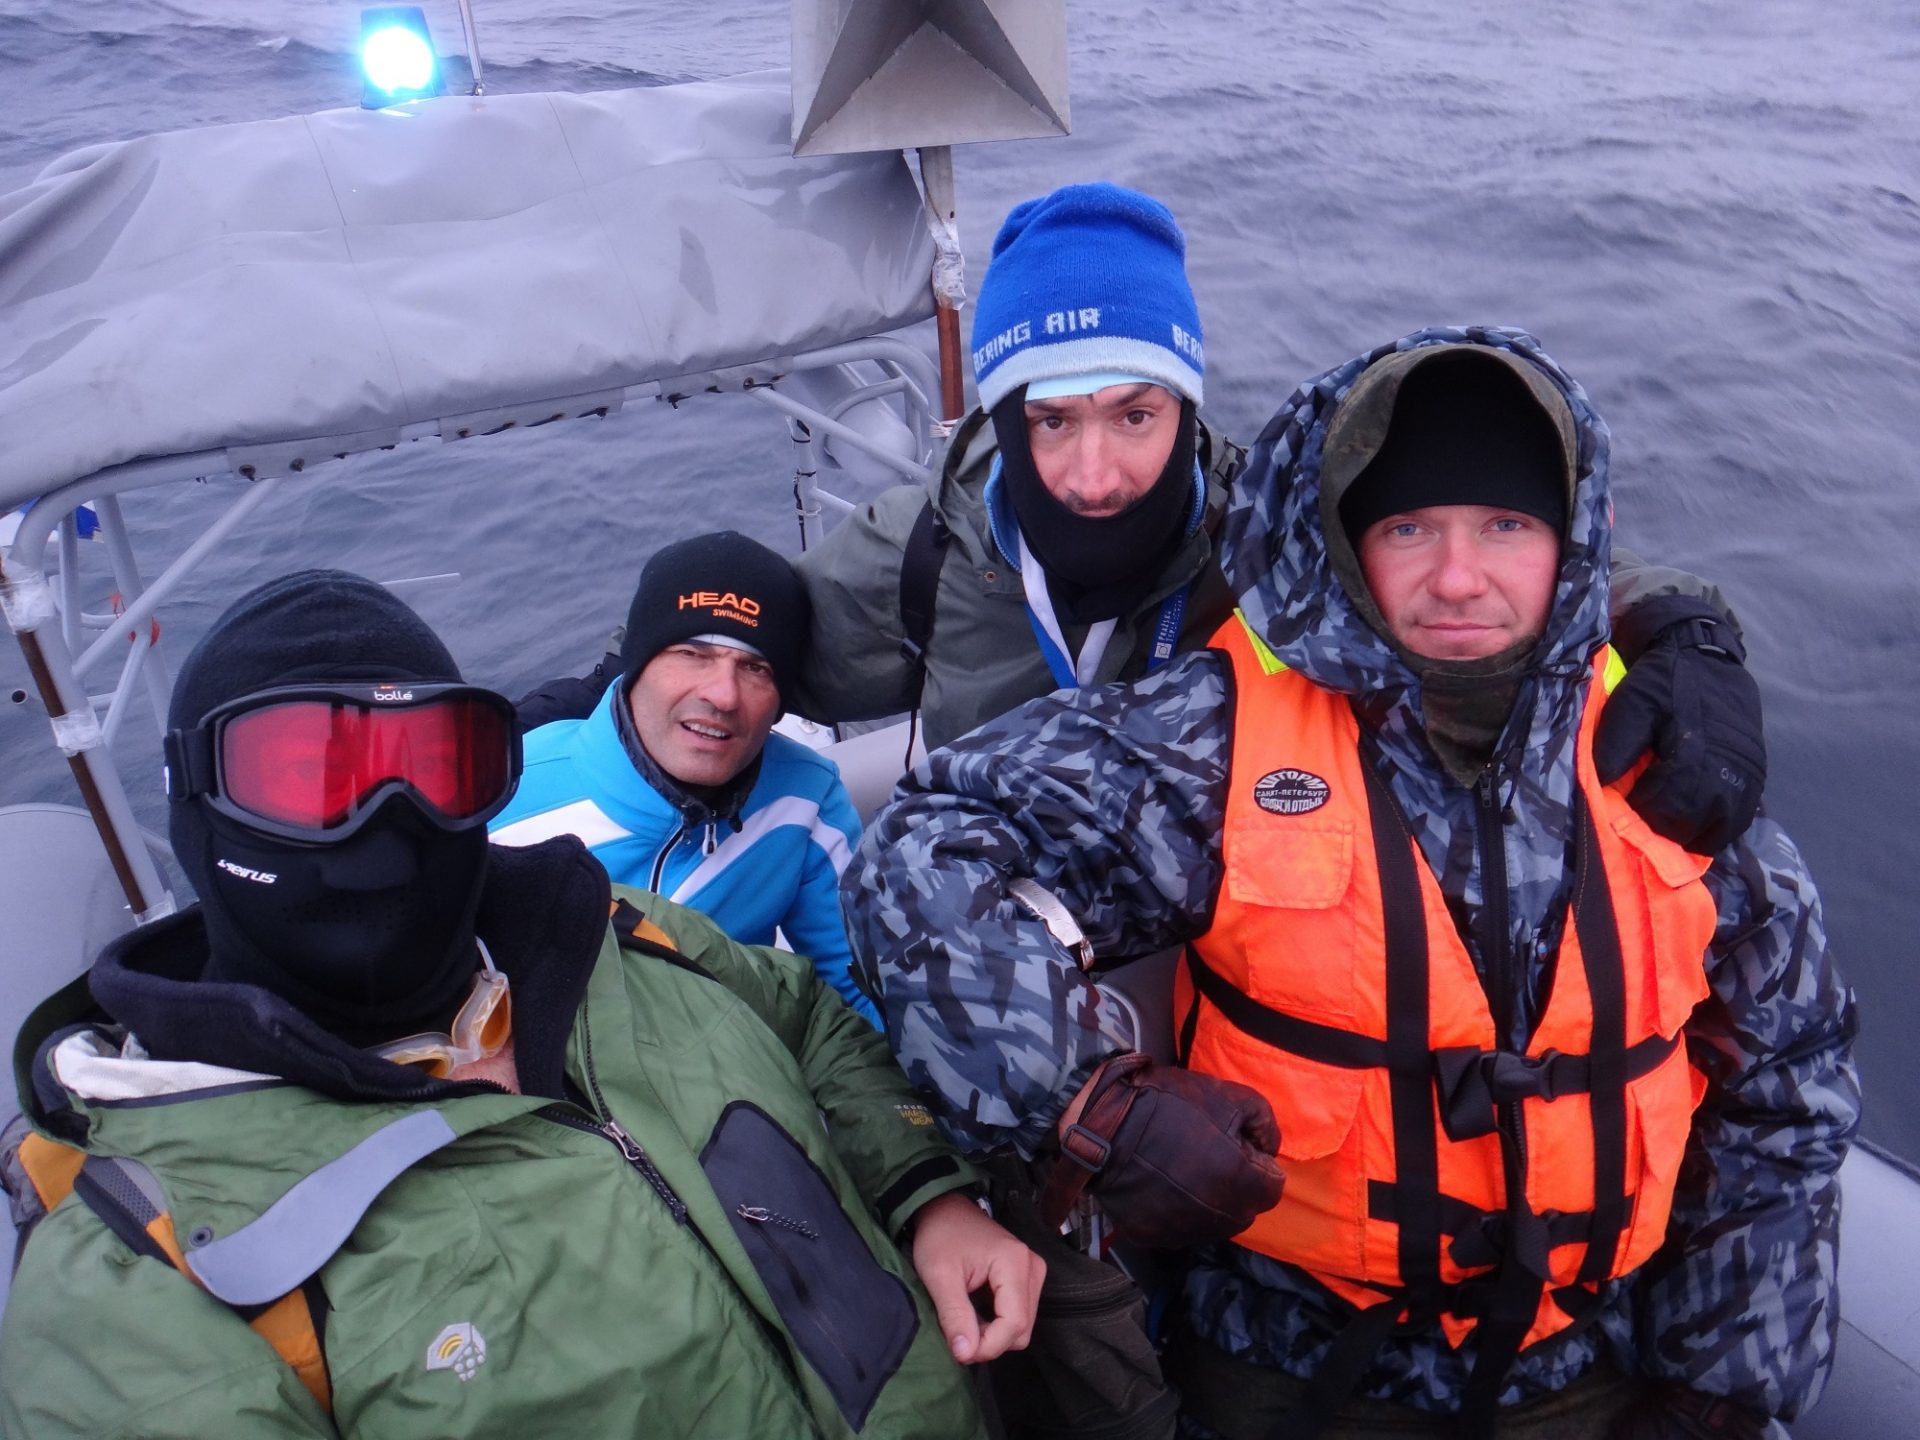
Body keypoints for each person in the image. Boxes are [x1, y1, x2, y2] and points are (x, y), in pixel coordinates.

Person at [840, 330, 1858, 1438]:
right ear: (1347, 544)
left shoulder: (1674, 741)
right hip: (1296, 1369)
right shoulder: (1219, 739)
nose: (1458, 576)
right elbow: (927, 843)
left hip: (1597, 1364)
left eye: (1506, 525)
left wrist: (1720, 1389)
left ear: (1576, 539)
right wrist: (1087, 1102)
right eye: (1409, 528)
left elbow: (1787, 1085)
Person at [0, 569, 1043, 1439]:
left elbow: (807, 1012)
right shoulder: (138, 1285)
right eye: (302, 775)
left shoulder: (623, 936)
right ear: (198, 808)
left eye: (433, 763)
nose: (382, 819)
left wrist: (925, 1193)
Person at [790, 186, 1766, 870]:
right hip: (983, 912)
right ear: (1007, 420)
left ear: (1183, 410)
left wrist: (1680, 624)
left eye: (1136, 415)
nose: (1096, 474)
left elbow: (1476, 552)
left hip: (1203, 927)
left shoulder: (1264, 531)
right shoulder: (927, 551)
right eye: (1052, 420)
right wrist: (663, 645)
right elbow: (751, 636)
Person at [493, 532, 879, 1027]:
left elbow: (854, 987)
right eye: (691, 653)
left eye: (755, 667)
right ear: (636, 665)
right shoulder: (508, 788)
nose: (722, 695)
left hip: (731, 1080)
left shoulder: (807, 799)